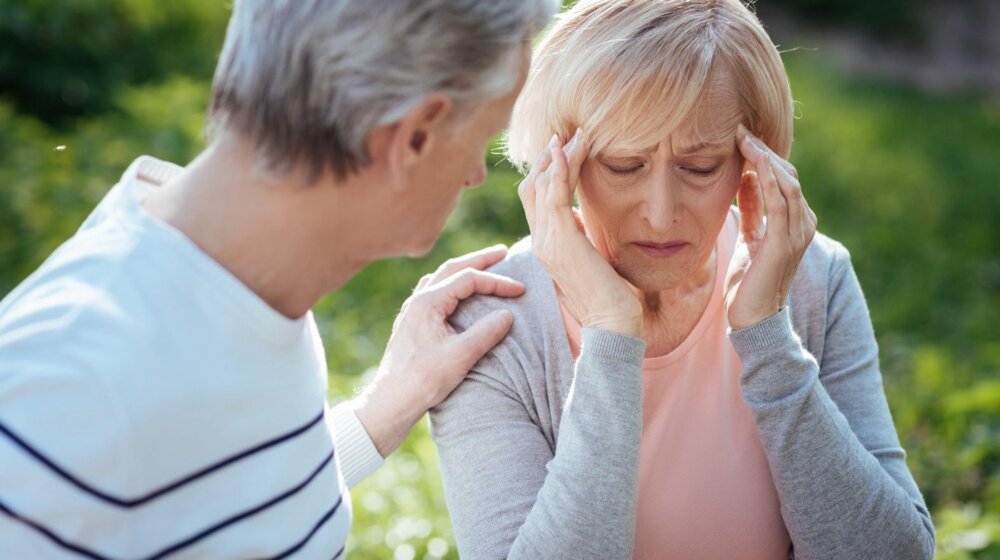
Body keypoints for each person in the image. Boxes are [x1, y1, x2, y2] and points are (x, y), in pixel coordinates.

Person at [0, 0, 556, 557]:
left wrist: (384, 406)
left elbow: (208, 514)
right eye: (484, 137)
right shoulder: (64, 386)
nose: (475, 174)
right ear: (413, 136)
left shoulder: (243, 290)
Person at [429, 0, 936, 558]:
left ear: (753, 158)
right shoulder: (491, 327)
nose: (662, 213)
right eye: (624, 165)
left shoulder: (815, 279)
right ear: (558, 160)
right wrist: (611, 333)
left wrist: (769, 341)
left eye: (700, 168)